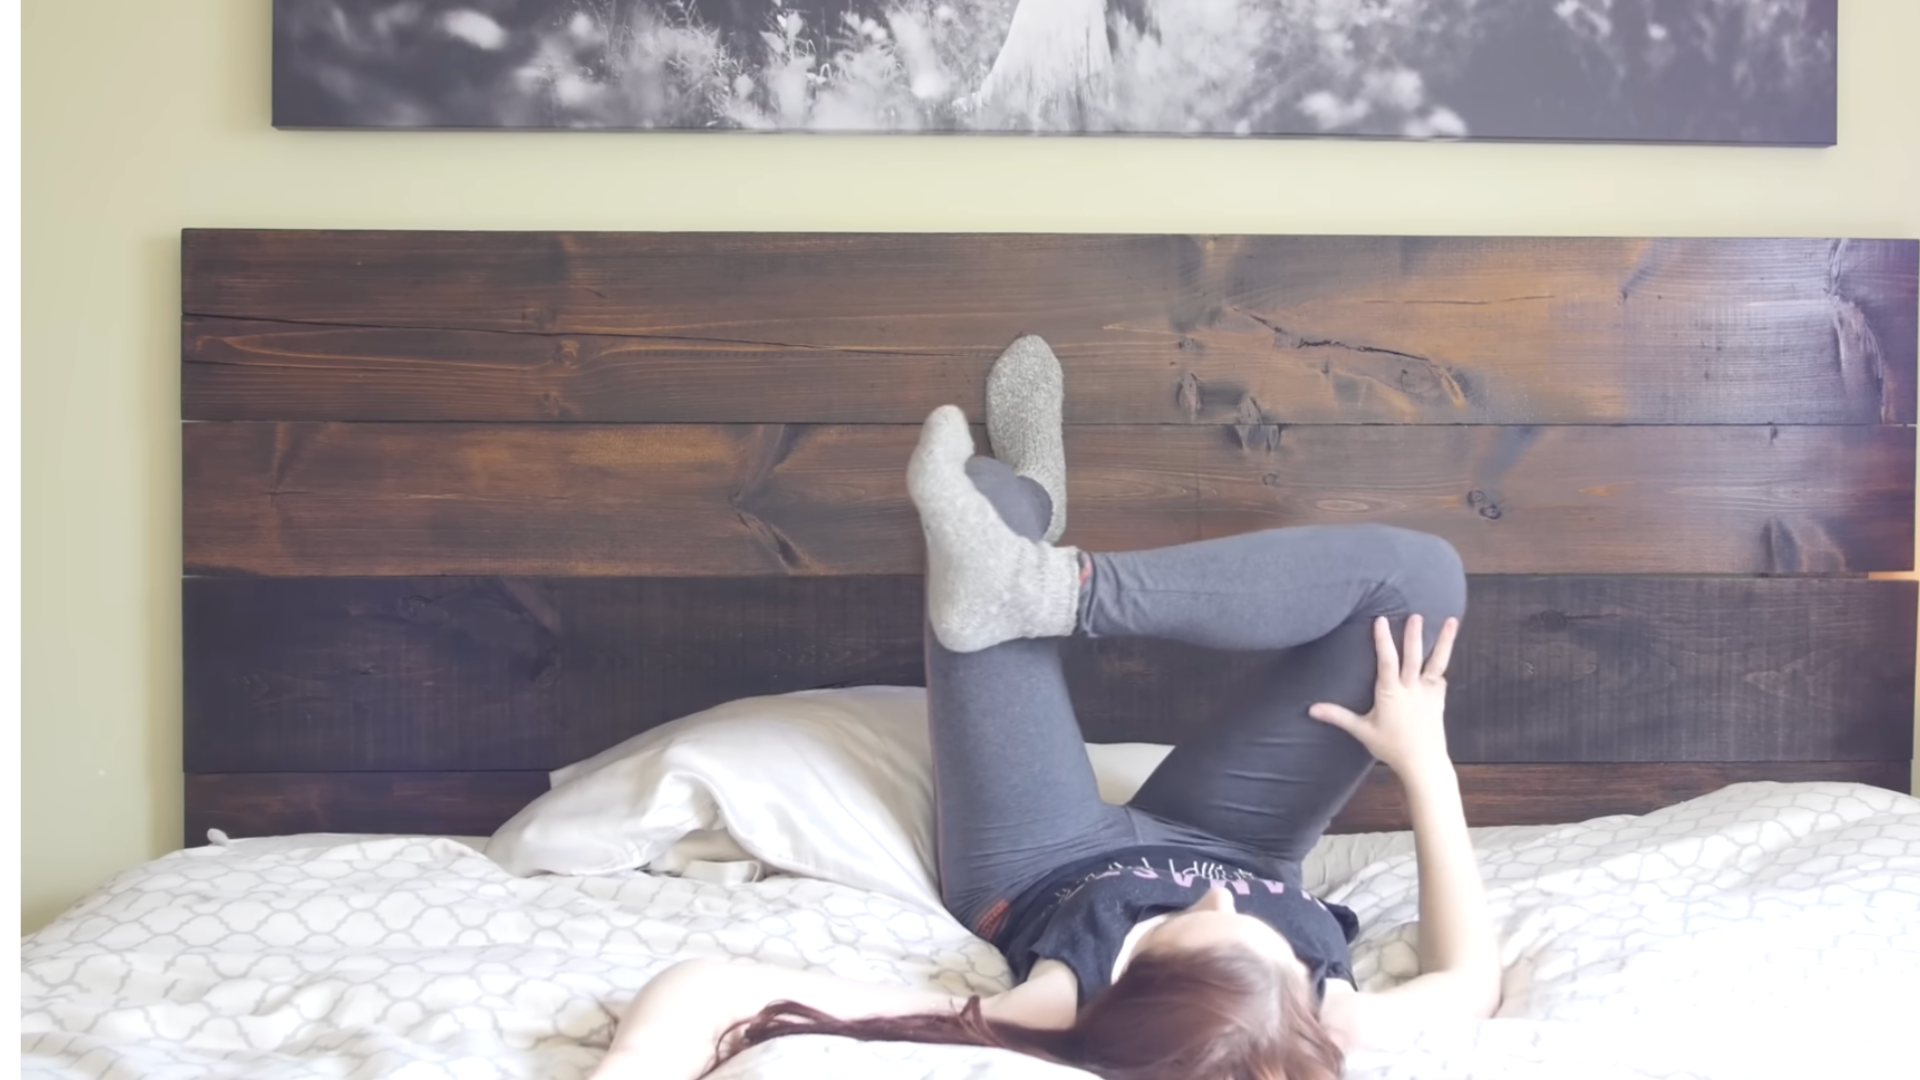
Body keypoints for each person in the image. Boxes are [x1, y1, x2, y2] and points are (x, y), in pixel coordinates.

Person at [592, 337, 1499, 1080]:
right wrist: (1423, 759)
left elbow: (709, 987)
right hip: (1243, 834)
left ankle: (1027, 515)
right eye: (1255, 932)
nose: (1220, 901)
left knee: (982, 507)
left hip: (1039, 859)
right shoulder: (1325, 1022)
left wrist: (628, 1068)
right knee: (1419, 582)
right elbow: (1469, 982)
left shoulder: (1052, 1011)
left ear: (1119, 1002)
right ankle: (1055, 587)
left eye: (1195, 927)